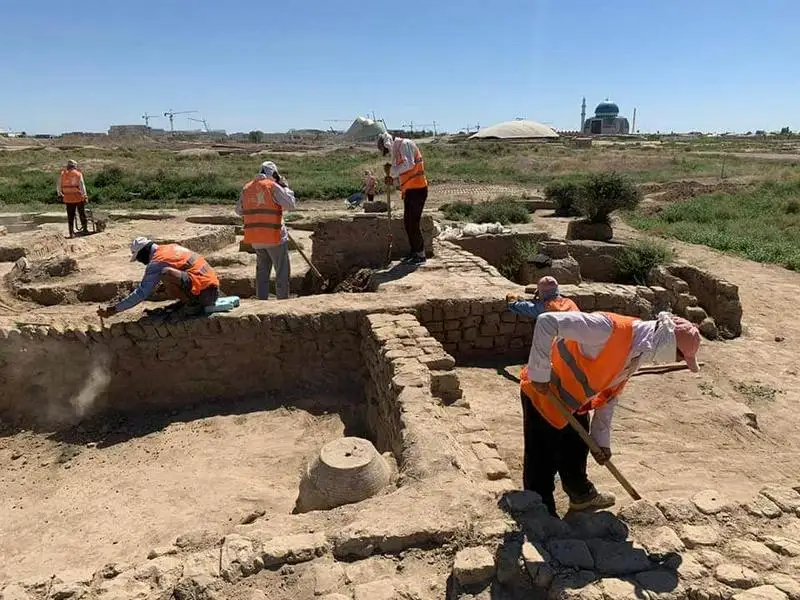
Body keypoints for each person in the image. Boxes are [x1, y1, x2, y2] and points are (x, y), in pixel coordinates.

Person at [519, 310, 701, 516]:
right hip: (545, 393)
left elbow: (609, 395)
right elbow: (547, 321)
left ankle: (581, 496)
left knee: (576, 450)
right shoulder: (606, 329)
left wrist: (601, 441)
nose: (675, 361)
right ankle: (540, 514)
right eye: (679, 356)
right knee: (542, 459)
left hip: (574, 402)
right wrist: (539, 372)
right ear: (669, 344)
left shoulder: (638, 351)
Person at [97, 238, 220, 319]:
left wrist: (114, 310)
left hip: (205, 295)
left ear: (144, 252)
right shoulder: (170, 248)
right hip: (212, 289)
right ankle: (187, 302)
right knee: (164, 283)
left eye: (139, 258)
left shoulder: (157, 261)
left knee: (166, 274)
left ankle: (192, 306)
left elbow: (141, 293)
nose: (141, 262)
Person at [236, 161, 297, 300]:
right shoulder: (272, 186)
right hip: (274, 237)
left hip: (256, 238)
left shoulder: (247, 187)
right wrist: (285, 187)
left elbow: (239, 210)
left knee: (262, 272)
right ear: (274, 174)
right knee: (281, 271)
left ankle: (261, 300)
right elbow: (291, 204)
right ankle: (282, 301)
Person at [377, 132, 428, 265]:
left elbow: (409, 165)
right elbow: (405, 175)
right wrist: (393, 181)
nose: (388, 153)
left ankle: (421, 254)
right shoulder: (398, 151)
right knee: (408, 223)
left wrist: (392, 172)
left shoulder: (405, 144)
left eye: (386, 150)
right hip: (410, 190)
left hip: (418, 189)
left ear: (388, 143)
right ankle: (415, 252)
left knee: (413, 223)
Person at [506, 276, 579, 319]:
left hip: (560, 340)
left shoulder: (545, 307)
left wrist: (513, 299)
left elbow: (519, 305)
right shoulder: (569, 302)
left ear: (541, 292)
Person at [57, 159, 88, 238]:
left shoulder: (63, 174)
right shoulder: (78, 174)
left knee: (70, 216)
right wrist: (85, 196)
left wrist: (59, 194)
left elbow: (59, 185)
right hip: (78, 197)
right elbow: (82, 185)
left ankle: (71, 233)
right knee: (82, 213)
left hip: (68, 198)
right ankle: (85, 230)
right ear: (75, 166)